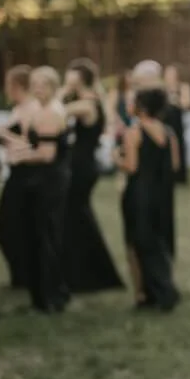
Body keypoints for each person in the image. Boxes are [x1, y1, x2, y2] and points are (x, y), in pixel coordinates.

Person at [3, 66, 73, 313]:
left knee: (45, 237)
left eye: (43, 84)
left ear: (53, 86)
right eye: (34, 84)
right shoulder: (41, 110)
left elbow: (46, 154)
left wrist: (18, 158)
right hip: (43, 180)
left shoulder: (51, 113)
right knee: (39, 236)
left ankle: (48, 298)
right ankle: (45, 294)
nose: (38, 89)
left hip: (49, 182)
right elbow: (33, 144)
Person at [60, 59, 124, 293]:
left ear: (79, 78)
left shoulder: (88, 103)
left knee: (77, 216)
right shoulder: (87, 100)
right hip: (80, 164)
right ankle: (85, 274)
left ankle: (92, 276)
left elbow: (56, 110)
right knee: (77, 216)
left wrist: (63, 91)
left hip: (82, 166)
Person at [118, 86, 180, 311]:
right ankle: (161, 287)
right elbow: (174, 165)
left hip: (138, 194)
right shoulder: (169, 132)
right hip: (162, 195)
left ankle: (145, 293)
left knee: (137, 242)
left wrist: (116, 158)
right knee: (159, 240)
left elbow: (131, 166)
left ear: (142, 108)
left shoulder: (133, 131)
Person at [0, 65, 35, 289]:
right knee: (7, 225)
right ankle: (21, 274)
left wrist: (2, 133)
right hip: (15, 171)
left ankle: (25, 274)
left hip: (26, 172)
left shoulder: (30, 109)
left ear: (17, 85)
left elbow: (30, 143)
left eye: (8, 84)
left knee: (9, 225)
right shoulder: (18, 108)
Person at [162, 63, 190, 185]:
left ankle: (180, 175)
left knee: (179, 145)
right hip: (165, 121)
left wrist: (176, 100)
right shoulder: (162, 88)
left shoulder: (183, 87)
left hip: (177, 121)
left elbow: (187, 103)